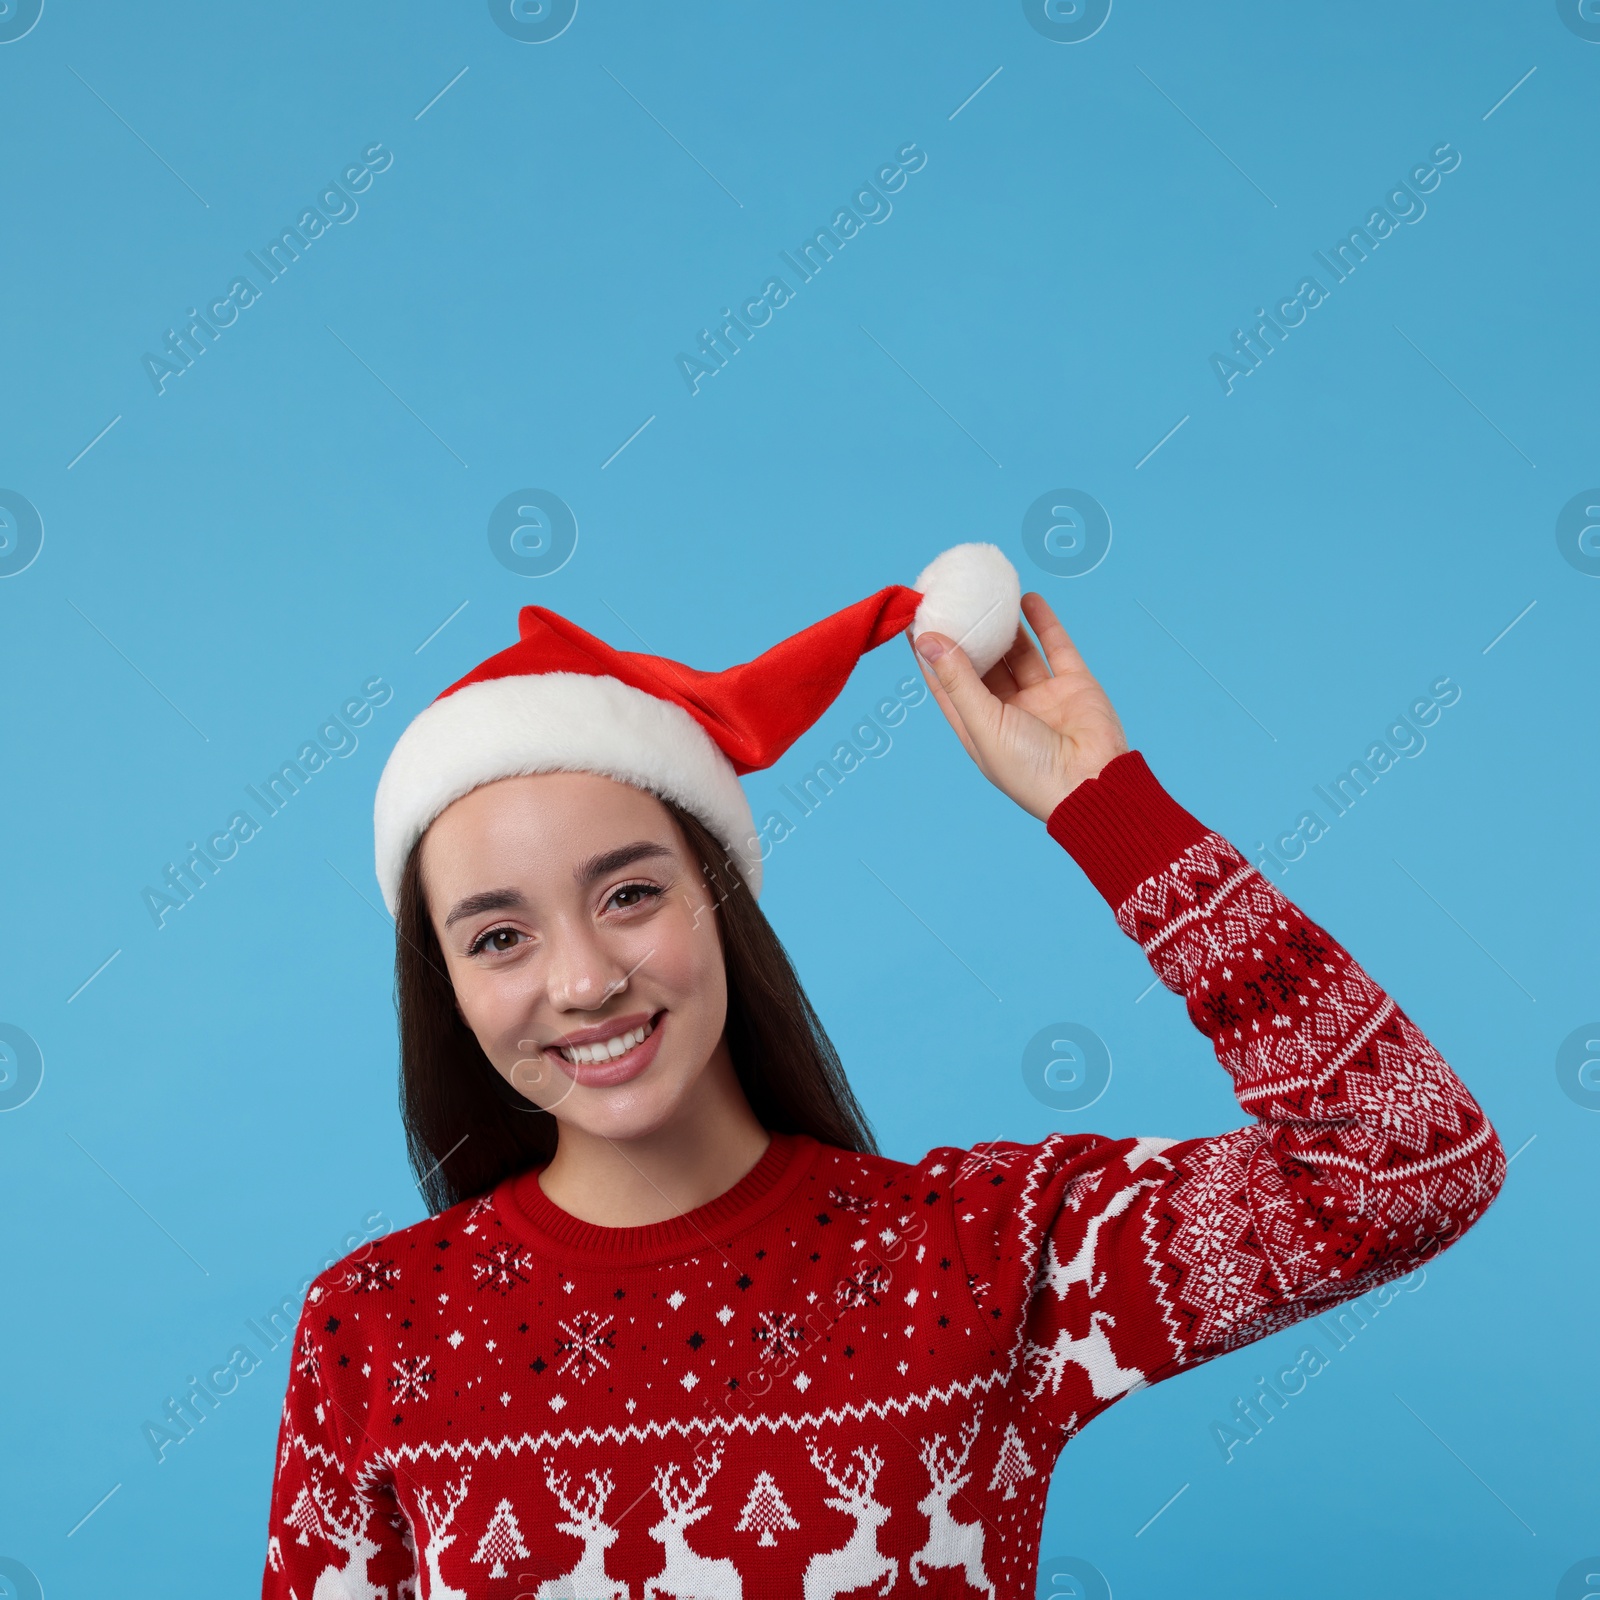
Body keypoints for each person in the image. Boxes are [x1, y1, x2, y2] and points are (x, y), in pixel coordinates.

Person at [260, 544, 1503, 1599]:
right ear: (448, 986)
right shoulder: (370, 1331)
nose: (583, 981)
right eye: (499, 936)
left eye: (630, 893)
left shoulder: (981, 1257)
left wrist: (1106, 810)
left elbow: (1409, 1161)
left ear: (720, 901)